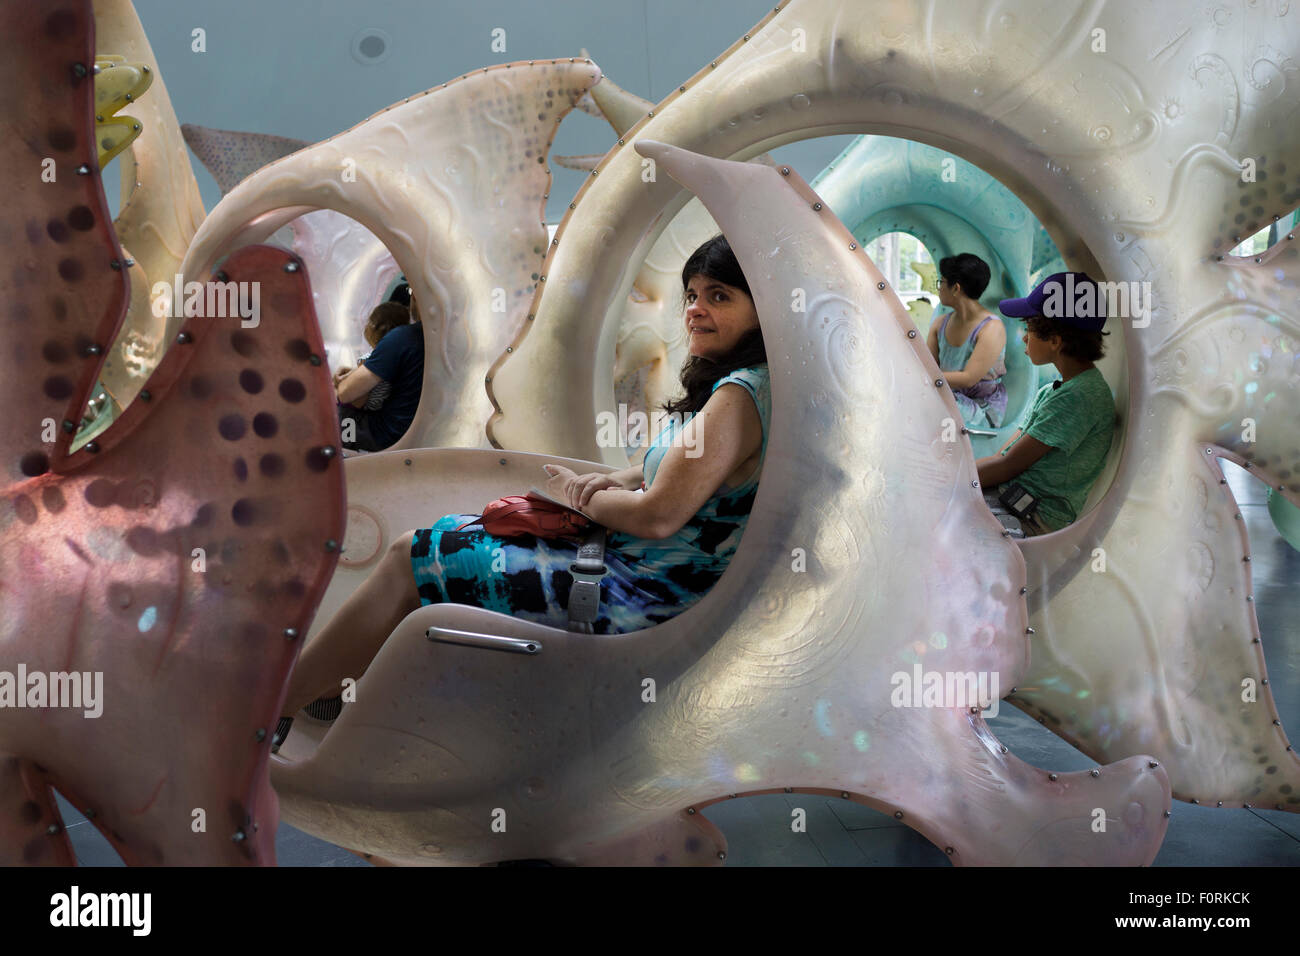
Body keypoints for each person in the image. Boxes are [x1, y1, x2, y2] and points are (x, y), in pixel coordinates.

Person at [280, 235, 770, 718]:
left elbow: (658, 517)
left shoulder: (738, 397)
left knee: (414, 555)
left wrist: (582, 499)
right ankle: (332, 685)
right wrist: (614, 482)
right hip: (631, 570)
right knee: (448, 532)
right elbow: (664, 474)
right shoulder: (735, 388)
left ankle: (275, 708)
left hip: (638, 593)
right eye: (691, 295)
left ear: (760, 308)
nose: (695, 309)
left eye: (719, 296)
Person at [976, 272, 1115, 535]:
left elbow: (1007, 466)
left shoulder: (1081, 396)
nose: (1025, 338)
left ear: (1055, 340)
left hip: (1032, 518)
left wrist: (954, 481)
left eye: (1028, 328)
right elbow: (1002, 457)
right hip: (1009, 498)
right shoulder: (1051, 390)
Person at [926, 253, 1007, 429]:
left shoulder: (992, 328)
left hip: (982, 409)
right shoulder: (940, 324)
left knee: (926, 403)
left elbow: (969, 378)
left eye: (941, 282)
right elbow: (927, 366)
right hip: (947, 398)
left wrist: (923, 379)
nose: (939, 288)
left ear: (956, 288)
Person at [334, 298, 425, 451]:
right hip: (416, 432)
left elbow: (347, 395)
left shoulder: (402, 338)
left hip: (384, 435)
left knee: (337, 413)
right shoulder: (436, 340)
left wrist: (339, 384)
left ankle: (345, 449)